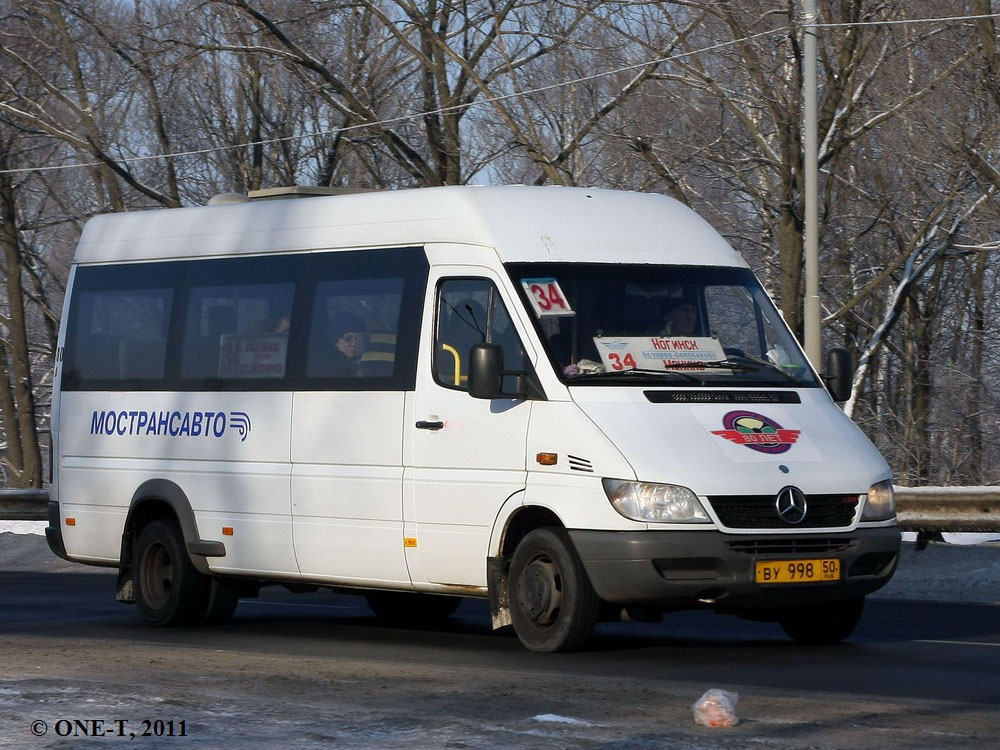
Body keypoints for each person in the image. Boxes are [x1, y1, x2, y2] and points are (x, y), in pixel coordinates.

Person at [321, 311, 366, 376]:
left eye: (358, 339)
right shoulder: (326, 368)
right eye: (348, 339)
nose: (354, 344)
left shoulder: (364, 363)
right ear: (336, 341)